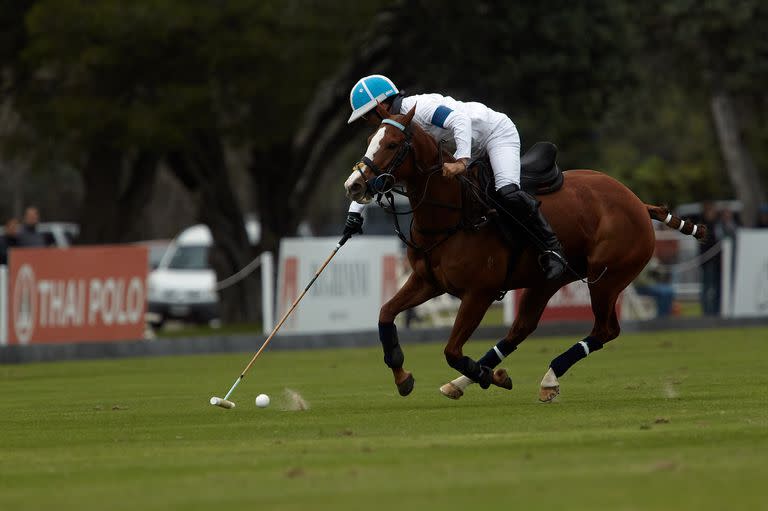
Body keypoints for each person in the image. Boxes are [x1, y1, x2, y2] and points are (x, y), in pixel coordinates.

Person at [341, 74, 566, 280]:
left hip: (495, 135)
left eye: (365, 116)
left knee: (507, 192)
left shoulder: (421, 108)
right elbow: (377, 166)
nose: (366, 121)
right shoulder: (393, 127)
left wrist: (461, 161)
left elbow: (460, 121)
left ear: (380, 106)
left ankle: (553, 248)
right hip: (470, 149)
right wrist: (355, 211)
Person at [699, 201, 721, 316]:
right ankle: (707, 312)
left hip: (717, 262)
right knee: (707, 287)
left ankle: (715, 310)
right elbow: (706, 243)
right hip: (708, 260)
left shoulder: (717, 224)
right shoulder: (704, 226)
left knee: (716, 287)